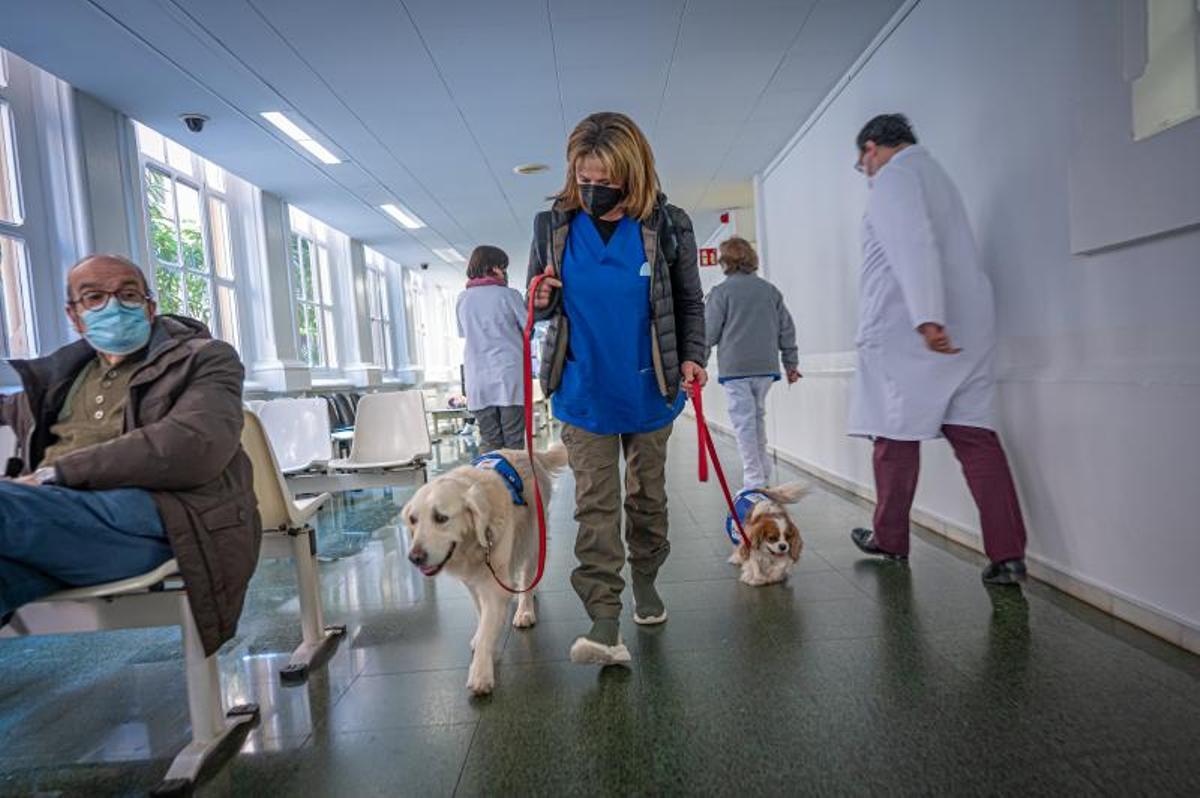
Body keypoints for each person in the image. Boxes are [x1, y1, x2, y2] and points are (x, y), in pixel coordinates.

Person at [0, 254, 261, 653]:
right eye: (94, 297)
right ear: (74, 315)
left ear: (150, 306)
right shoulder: (56, 378)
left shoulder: (205, 358)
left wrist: (55, 474)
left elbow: (191, 445)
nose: (114, 306)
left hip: (158, 517)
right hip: (52, 520)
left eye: (127, 294)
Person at [528, 111, 707, 665]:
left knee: (647, 497)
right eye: (585, 178)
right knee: (595, 507)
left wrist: (694, 357)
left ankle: (647, 578)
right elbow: (540, 299)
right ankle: (605, 619)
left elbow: (688, 302)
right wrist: (538, 299)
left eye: (606, 181)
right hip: (582, 387)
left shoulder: (667, 224)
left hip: (650, 386)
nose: (594, 190)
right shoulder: (552, 225)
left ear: (633, 173)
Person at [846, 114, 1027, 585]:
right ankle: (1008, 555)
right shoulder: (938, 176)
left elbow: (913, 243)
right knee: (975, 438)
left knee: (893, 438)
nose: (864, 171)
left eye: (862, 162)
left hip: (916, 333)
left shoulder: (894, 178)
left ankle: (890, 537)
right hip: (971, 329)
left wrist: (927, 316)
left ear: (871, 149)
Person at [704, 236, 800, 489]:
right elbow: (786, 329)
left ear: (725, 262)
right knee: (757, 417)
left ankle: (753, 478)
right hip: (766, 368)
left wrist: (697, 364)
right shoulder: (770, 291)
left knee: (744, 421)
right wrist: (791, 363)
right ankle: (763, 469)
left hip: (736, 369)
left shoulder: (721, 293)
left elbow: (708, 333)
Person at [456, 245, 526, 451]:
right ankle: (515, 482)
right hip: (509, 375)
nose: (505, 271)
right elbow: (529, 326)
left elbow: (463, 332)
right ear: (494, 267)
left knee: (489, 440)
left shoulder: (462, 298)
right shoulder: (509, 295)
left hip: (477, 378)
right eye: (503, 266)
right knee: (513, 441)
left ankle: (490, 482)